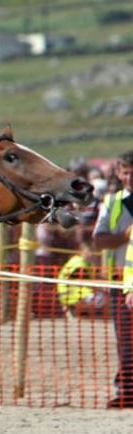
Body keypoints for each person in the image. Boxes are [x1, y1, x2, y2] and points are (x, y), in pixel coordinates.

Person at [92, 149, 133, 408]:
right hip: (120, 281)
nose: (130, 177)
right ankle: (127, 390)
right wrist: (126, 237)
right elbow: (99, 239)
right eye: (125, 172)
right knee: (126, 341)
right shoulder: (112, 202)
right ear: (118, 173)